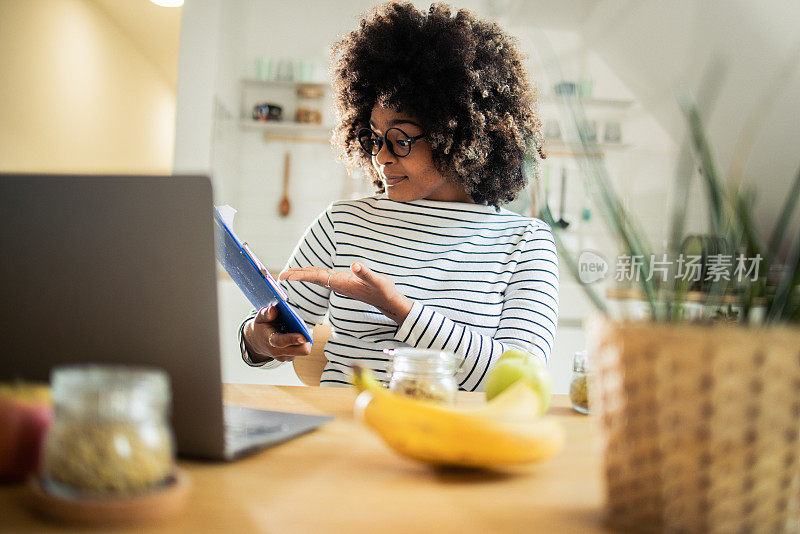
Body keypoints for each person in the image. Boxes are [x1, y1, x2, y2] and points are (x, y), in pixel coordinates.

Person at [240, 1, 558, 390]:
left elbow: (523, 380)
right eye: (373, 137)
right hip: (346, 435)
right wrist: (260, 340)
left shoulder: (526, 243)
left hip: (456, 440)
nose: (380, 156)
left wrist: (400, 310)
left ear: (458, 136)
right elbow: (273, 337)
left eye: (401, 139)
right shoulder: (342, 224)